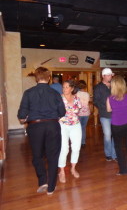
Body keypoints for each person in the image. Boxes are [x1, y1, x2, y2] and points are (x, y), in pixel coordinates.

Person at [17, 67, 66, 195]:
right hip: (52, 126)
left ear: (36, 78)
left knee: (37, 156)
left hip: (35, 127)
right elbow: (62, 112)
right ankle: (51, 187)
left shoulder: (28, 93)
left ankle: (42, 181)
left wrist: (24, 120)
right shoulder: (55, 93)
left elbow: (22, 115)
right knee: (53, 156)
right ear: (49, 78)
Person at [106, 75, 127, 176]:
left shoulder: (109, 98)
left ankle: (123, 170)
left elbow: (108, 110)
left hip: (116, 124)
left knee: (118, 148)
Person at [58, 80, 82, 183]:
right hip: (63, 125)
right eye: (63, 87)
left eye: (67, 87)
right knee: (64, 149)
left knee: (76, 148)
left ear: (72, 88)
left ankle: (73, 168)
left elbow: (79, 110)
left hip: (76, 125)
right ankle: (62, 171)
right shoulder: (59, 98)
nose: (65, 89)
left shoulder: (76, 98)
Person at [94, 68, 117, 161]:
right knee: (107, 135)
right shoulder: (98, 87)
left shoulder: (114, 85)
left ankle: (114, 154)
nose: (110, 76)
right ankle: (108, 153)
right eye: (108, 75)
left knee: (115, 134)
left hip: (116, 113)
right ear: (103, 76)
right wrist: (106, 107)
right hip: (105, 114)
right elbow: (96, 101)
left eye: (111, 75)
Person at [77, 80, 91, 147]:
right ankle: (83, 142)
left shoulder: (76, 94)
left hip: (79, 113)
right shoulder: (87, 94)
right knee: (83, 127)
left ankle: (78, 142)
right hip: (86, 113)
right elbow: (87, 102)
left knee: (78, 128)